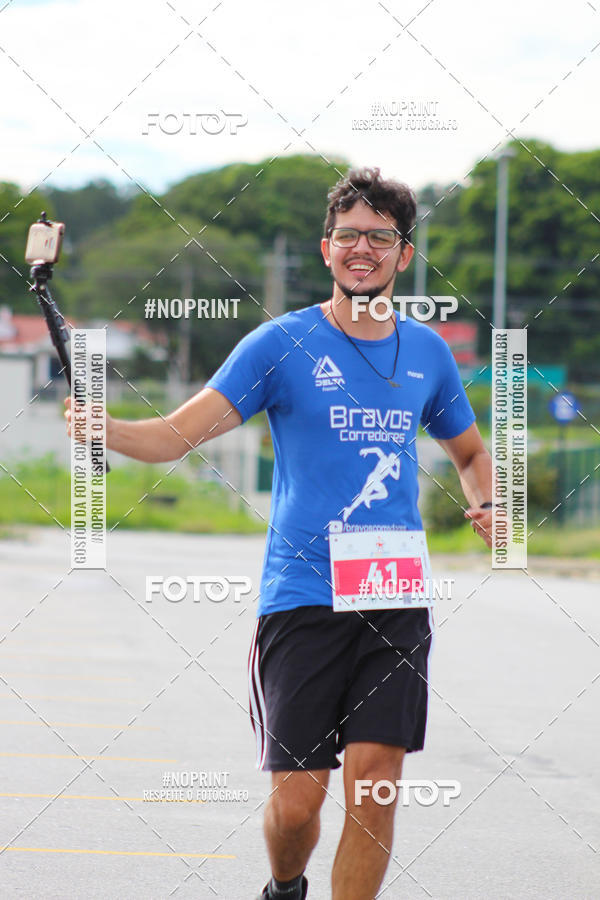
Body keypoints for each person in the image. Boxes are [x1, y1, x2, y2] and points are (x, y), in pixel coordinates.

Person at [65, 167, 493, 900]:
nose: (364, 248)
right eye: (350, 235)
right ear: (327, 249)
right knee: (298, 806)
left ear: (404, 254)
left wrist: (489, 503)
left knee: (377, 784)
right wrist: (107, 429)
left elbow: (471, 453)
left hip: (393, 594)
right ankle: (284, 886)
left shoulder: (428, 353)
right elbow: (177, 436)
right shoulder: (279, 345)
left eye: (380, 237)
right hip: (301, 596)